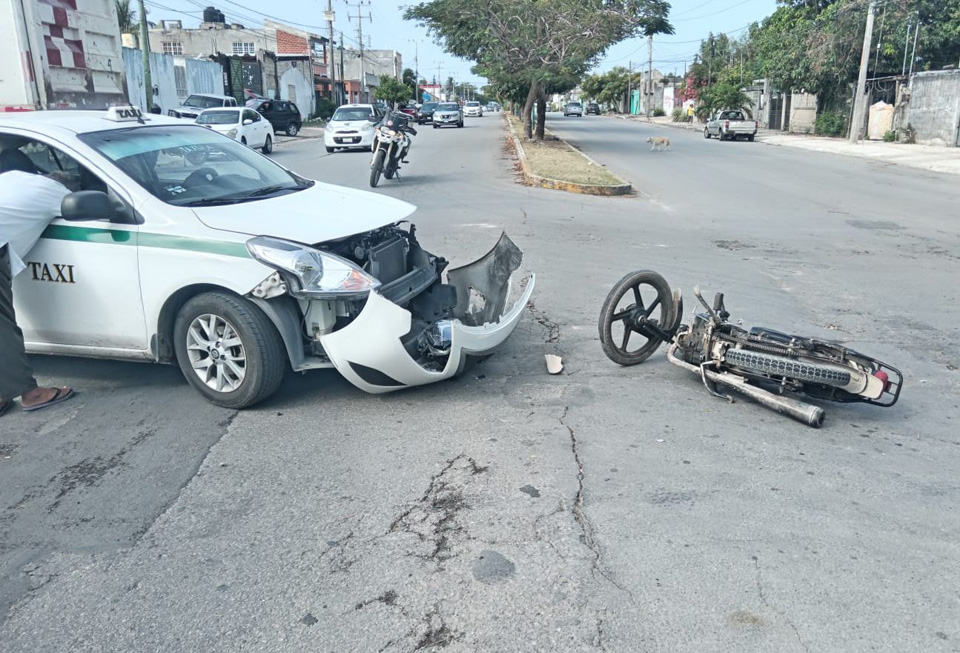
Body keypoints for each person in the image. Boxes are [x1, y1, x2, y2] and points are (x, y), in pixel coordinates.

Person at [0, 149, 76, 417]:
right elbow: (81, 207)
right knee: (2, 329)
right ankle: (30, 394)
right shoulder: (51, 189)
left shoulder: (8, 183)